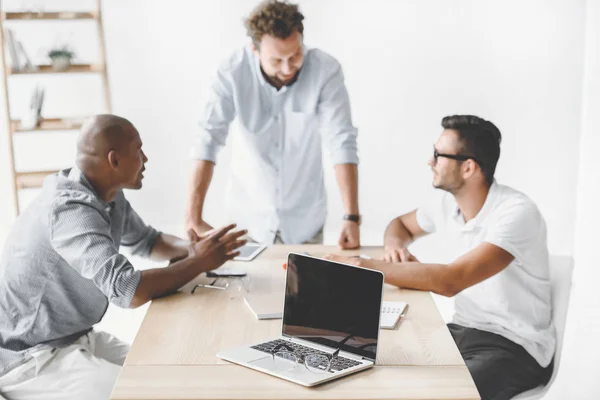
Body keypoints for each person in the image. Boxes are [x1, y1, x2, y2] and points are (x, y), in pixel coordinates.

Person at [0, 115, 246, 400]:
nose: (146, 158)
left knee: (170, 380)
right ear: (114, 160)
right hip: (31, 358)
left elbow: (148, 241)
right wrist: (200, 262)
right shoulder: (70, 211)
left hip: (74, 336)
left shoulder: (107, 194)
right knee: (140, 394)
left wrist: (196, 249)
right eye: (138, 150)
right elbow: (127, 290)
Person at [327, 115, 554, 400]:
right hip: (462, 331)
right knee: (369, 364)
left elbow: (452, 280)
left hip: (514, 347)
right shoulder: (448, 204)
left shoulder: (516, 213)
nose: (430, 161)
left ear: (468, 167)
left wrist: (368, 266)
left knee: (439, 395)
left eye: (438, 155)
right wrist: (395, 246)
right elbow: (400, 225)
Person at [186, 0, 361, 248]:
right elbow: (207, 139)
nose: (288, 68)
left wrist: (351, 216)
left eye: (295, 55)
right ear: (255, 50)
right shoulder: (231, 72)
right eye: (276, 61)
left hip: (305, 221)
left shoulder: (326, 71)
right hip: (247, 221)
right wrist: (192, 216)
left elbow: (341, 140)